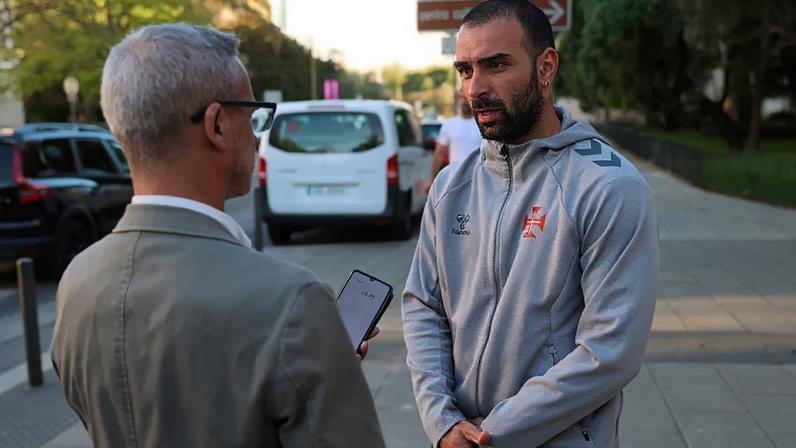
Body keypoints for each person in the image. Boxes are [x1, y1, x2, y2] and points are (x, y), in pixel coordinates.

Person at [50, 24, 385, 448]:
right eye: (253, 113)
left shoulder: (78, 281)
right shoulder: (291, 302)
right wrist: (322, 365)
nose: (256, 134)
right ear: (218, 125)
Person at [402, 1, 659, 447]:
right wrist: (441, 421)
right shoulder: (450, 187)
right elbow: (424, 307)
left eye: (496, 65)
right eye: (465, 70)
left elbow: (610, 351)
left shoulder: (609, 186)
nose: (476, 88)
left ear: (546, 67)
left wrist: (492, 433)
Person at [427, 93, 483, 191]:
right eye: (461, 97)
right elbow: (439, 154)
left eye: (467, 97)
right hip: (455, 180)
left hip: (480, 180)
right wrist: (432, 179)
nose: (464, 101)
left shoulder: (483, 124)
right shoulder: (449, 125)